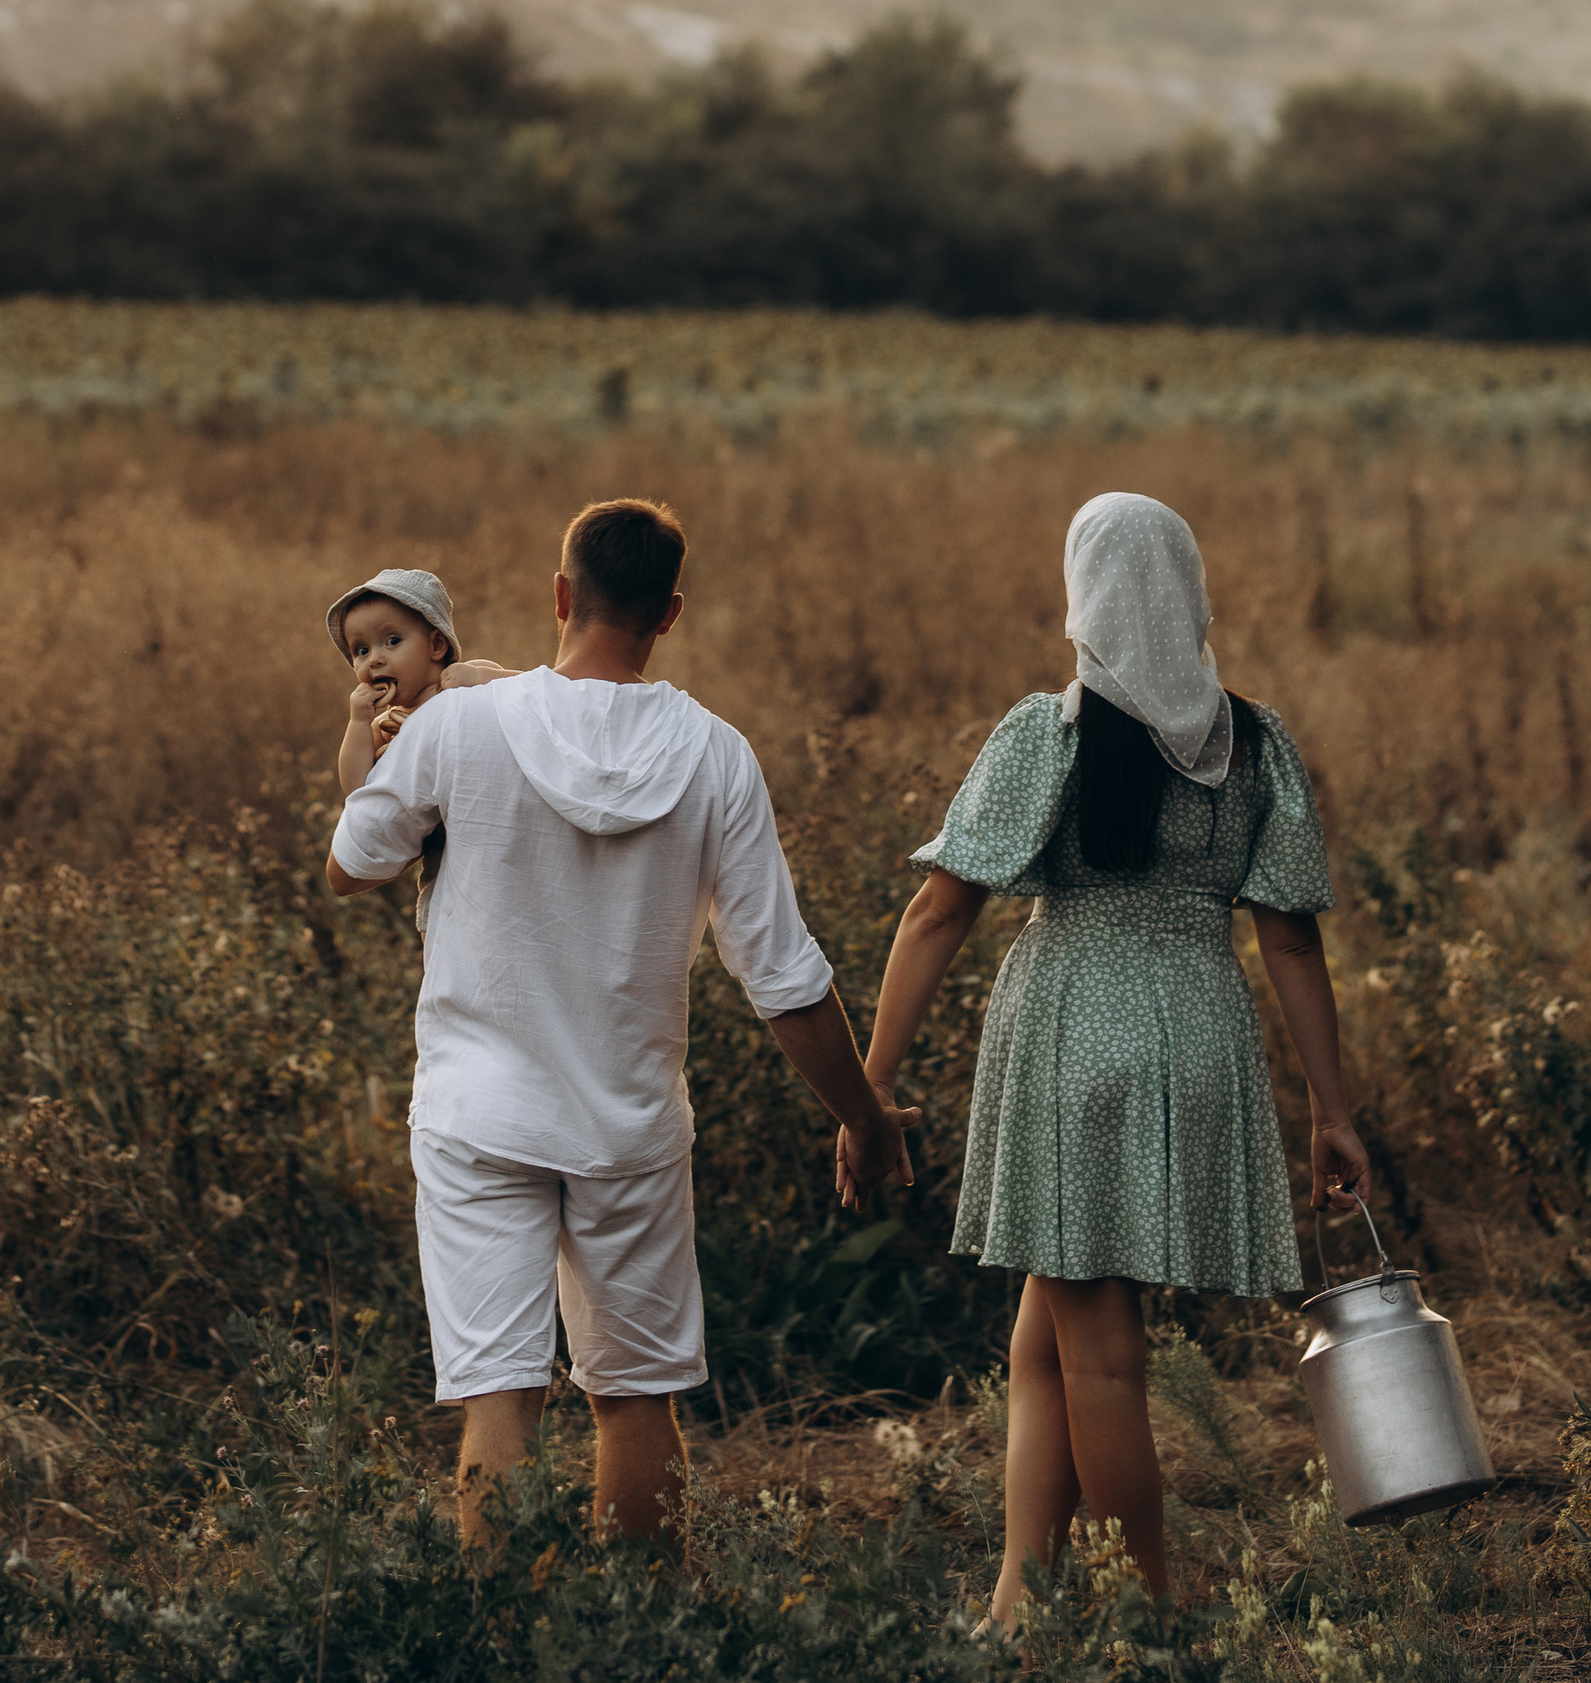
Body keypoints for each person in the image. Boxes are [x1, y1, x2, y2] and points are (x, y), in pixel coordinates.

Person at [327, 494, 911, 1550]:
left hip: (475, 1117)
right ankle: (642, 1640)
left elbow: (350, 863)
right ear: (668, 614)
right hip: (628, 1131)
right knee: (636, 1395)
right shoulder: (715, 755)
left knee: (500, 1395)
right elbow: (781, 976)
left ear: (561, 595)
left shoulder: (461, 724)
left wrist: (369, 710)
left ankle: (498, 1639)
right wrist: (862, 1115)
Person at [847, 491, 1366, 1623]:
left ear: (1082, 599)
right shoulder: (1255, 741)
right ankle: (1017, 1603)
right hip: (1199, 1027)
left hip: (1074, 1029)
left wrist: (871, 1079)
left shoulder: (1050, 731)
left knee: (1103, 1362)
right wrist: (1331, 1110)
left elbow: (938, 913)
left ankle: (1151, 1610)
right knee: (1046, 1340)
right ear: (1190, 595)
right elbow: (1287, 932)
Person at [325, 567, 509, 797]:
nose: (374, 659)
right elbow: (356, 788)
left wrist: (479, 677)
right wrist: (358, 722)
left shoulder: (470, 678)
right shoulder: (385, 726)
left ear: (437, 645)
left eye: (392, 641)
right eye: (362, 650)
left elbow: (533, 692)